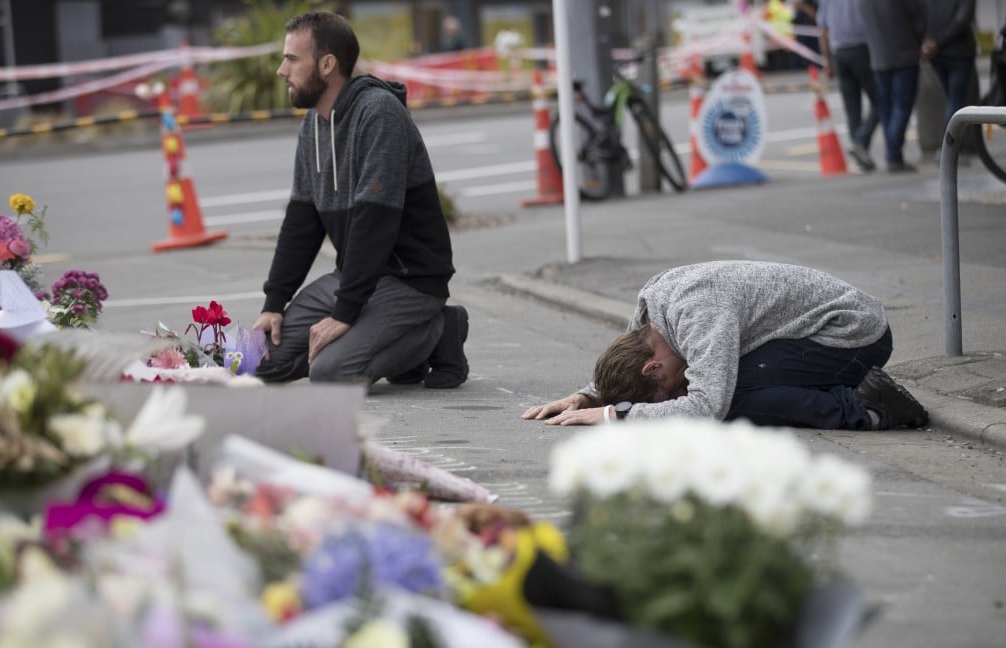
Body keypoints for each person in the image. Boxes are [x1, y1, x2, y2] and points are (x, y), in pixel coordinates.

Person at [253, 11, 469, 389]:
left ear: (326, 64)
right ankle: (399, 351)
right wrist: (274, 302)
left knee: (333, 373)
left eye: (291, 59)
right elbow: (301, 224)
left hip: (410, 280)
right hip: (357, 274)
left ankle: (439, 329)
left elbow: (376, 222)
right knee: (259, 362)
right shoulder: (313, 126)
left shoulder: (379, 115)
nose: (281, 71)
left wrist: (345, 312)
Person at [521, 260, 928, 430]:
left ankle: (867, 409)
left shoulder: (698, 314)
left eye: (665, 392)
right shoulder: (650, 318)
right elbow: (624, 372)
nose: (673, 395)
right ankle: (843, 392)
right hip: (815, 330)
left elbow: (705, 407)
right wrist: (587, 397)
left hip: (853, 335)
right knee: (725, 379)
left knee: (728, 396)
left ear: (653, 368)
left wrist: (618, 416)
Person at [855, 0, 927, 173]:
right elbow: (919, 20)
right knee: (902, 107)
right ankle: (893, 155)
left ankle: (893, 155)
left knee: (886, 109)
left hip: (879, 58)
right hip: (904, 55)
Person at [817, 0, 879, 171]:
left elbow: (823, 31)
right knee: (881, 101)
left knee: (852, 109)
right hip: (862, 50)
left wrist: (827, 63)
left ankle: (860, 154)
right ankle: (861, 142)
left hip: (839, 54)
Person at [921, 0, 978, 145]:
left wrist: (928, 43)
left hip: (936, 51)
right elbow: (963, 18)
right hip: (958, 51)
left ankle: (950, 146)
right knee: (956, 101)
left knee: (952, 99)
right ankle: (949, 146)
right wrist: (937, 42)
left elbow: (917, 16)